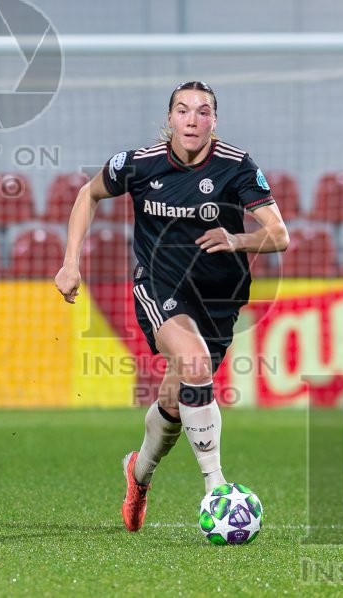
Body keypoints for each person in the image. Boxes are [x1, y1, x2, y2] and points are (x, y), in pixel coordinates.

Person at [55, 81, 289, 532]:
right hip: (160, 285)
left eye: (203, 112)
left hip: (220, 299)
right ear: (170, 119)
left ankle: (138, 474)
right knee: (195, 362)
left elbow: (279, 235)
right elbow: (88, 194)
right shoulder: (138, 165)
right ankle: (217, 489)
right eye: (183, 111)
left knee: (177, 400)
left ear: (214, 122)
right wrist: (70, 263)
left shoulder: (237, 166)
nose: (192, 119)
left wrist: (237, 239)